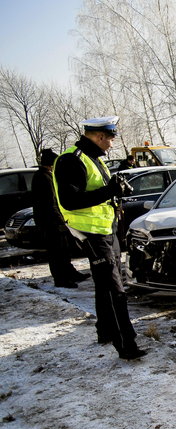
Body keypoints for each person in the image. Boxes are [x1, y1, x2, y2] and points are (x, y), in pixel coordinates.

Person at [53, 116, 147, 361]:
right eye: (111, 138)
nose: (112, 144)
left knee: (106, 286)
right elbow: (70, 201)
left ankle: (105, 331)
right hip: (91, 233)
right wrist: (111, 190)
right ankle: (127, 345)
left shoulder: (93, 159)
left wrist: (117, 188)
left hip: (106, 231)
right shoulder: (71, 161)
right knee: (115, 290)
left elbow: (99, 193)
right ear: (99, 136)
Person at [32, 148, 90, 289]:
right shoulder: (44, 178)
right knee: (57, 253)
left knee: (63, 250)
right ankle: (61, 279)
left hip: (52, 221)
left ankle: (70, 273)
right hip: (50, 222)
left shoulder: (44, 176)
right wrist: (61, 220)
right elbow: (51, 203)